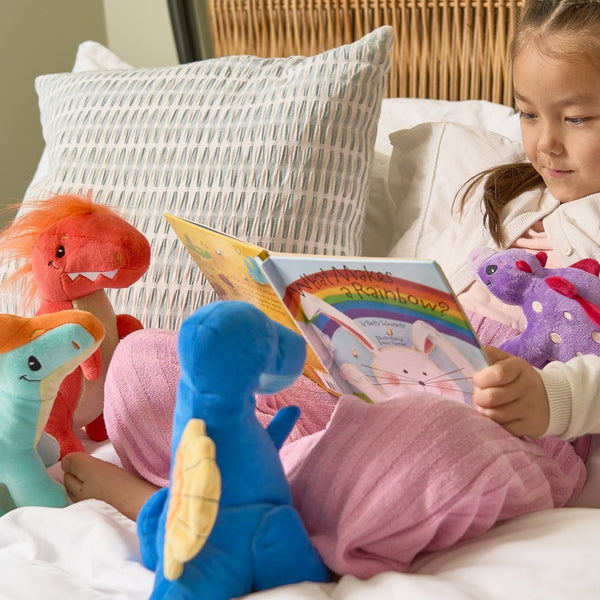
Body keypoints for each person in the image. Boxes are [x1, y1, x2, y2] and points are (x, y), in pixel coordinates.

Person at [61, 0, 600, 578]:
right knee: (148, 363)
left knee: (433, 443)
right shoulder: (502, 195)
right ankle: (234, 500)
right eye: (526, 114)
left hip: (518, 430)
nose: (544, 144)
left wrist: (552, 399)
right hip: (392, 377)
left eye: (576, 118)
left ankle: (191, 515)